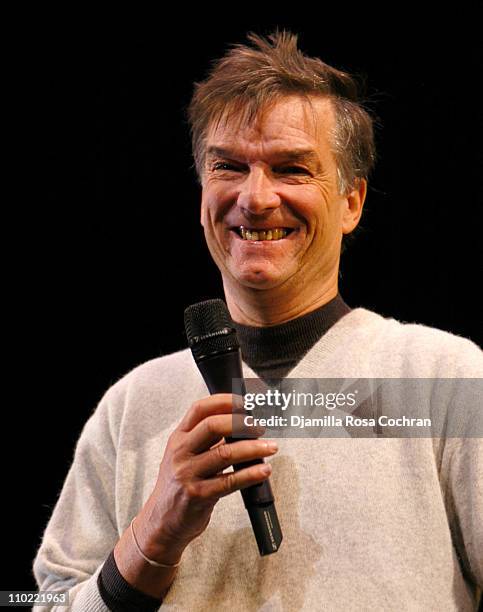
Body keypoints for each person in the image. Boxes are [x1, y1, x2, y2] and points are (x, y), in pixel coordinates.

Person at [33, 31, 482, 611]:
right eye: (229, 167)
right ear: (202, 193)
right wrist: (151, 539)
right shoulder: (131, 406)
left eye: (292, 168)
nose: (256, 198)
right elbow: (40, 604)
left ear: (351, 202)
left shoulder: (443, 381)